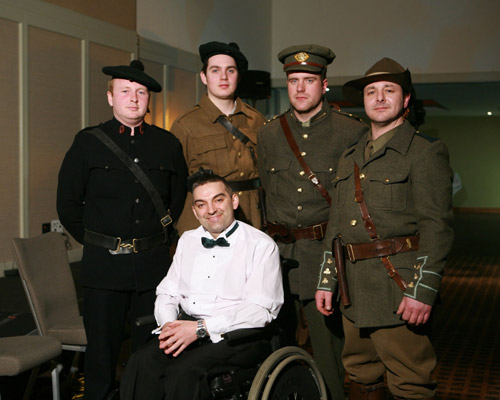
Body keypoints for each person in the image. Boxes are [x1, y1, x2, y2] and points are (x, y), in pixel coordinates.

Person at [315, 57, 454, 400]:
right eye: (371, 91)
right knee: (361, 374)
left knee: (410, 380)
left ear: (405, 99)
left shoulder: (423, 152)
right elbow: (337, 225)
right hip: (353, 288)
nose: (378, 98)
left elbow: (437, 227)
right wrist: (326, 279)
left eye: (388, 90)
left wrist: (422, 291)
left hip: (398, 287)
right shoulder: (350, 156)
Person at [57, 60, 188, 400]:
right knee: (100, 358)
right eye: (125, 91)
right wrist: (100, 243)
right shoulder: (87, 144)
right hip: (103, 270)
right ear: (110, 97)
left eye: (141, 92)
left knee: (151, 354)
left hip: (153, 268)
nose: (133, 99)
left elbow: (176, 202)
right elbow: (68, 205)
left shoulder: (168, 145)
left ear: (149, 100)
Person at [257, 44, 368, 399]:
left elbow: (355, 203)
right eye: (293, 80)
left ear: (324, 85)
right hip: (278, 259)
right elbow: (265, 197)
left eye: (309, 80)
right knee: (275, 351)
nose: (300, 88)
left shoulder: (349, 132)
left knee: (328, 354)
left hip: (325, 258)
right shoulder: (270, 134)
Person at [119, 171, 283, 399]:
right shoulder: (187, 241)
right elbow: (168, 292)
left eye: (218, 200)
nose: (211, 210)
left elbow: (260, 310)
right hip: (188, 327)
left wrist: (201, 329)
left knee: (184, 372)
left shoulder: (260, 245)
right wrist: (169, 325)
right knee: (141, 361)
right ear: (195, 211)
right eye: (202, 204)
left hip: (238, 335)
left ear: (233, 201)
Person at [171, 41, 265, 234]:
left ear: (238, 76)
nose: (223, 77)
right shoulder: (185, 125)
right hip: (205, 225)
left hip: (251, 221)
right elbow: (174, 186)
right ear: (204, 77)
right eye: (215, 70)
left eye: (230, 70)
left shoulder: (257, 120)